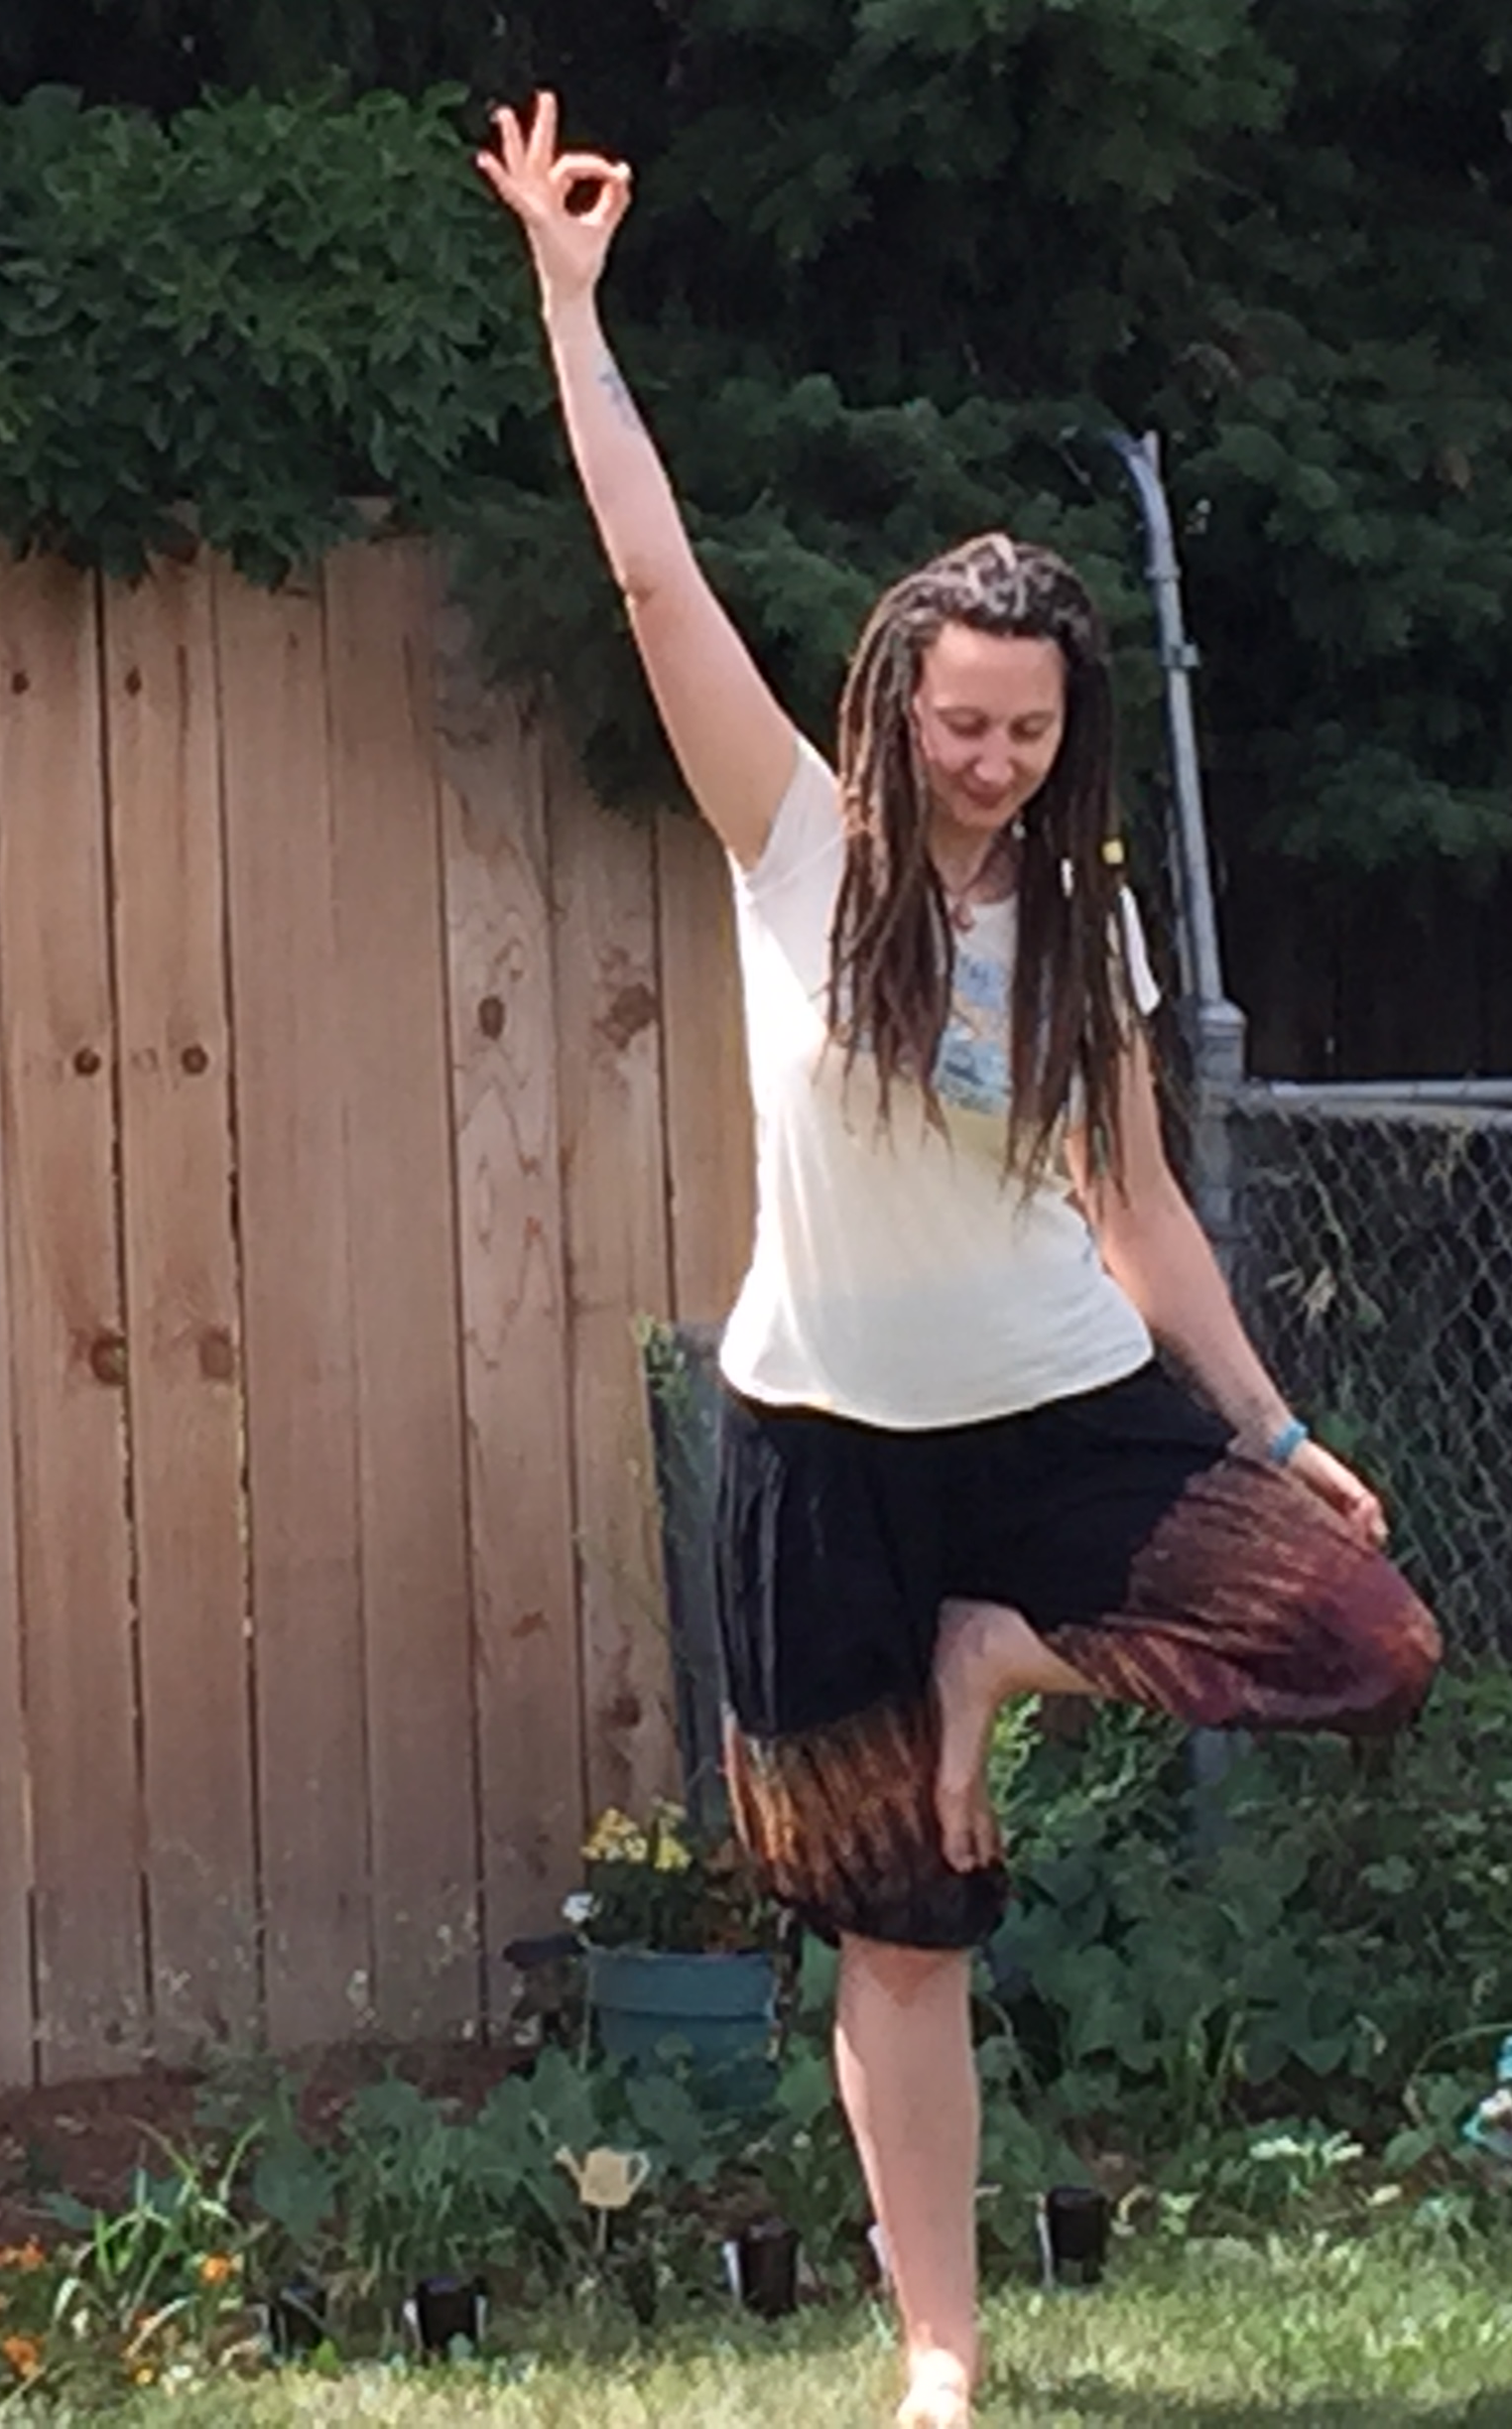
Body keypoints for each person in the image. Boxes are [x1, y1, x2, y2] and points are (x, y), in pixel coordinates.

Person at [480, 95, 1445, 2428]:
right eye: (965, 721)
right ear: (900, 699)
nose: (996, 759)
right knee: (893, 1922)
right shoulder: (793, 849)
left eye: (1031, 729)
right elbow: (653, 585)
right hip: (820, 1449)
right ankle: (940, 2349)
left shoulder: (1086, 918)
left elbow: (1140, 1209)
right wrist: (572, 307)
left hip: (1056, 1423)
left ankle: (998, 1651)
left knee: (1369, 1639)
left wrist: (1270, 1433)